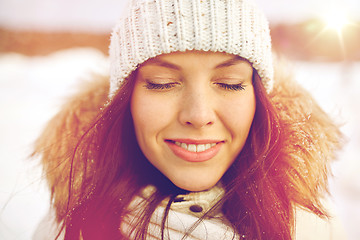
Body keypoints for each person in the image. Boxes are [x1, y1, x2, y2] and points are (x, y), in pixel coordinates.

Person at [32, 0, 346, 239]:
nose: (198, 115)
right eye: (162, 82)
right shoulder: (69, 229)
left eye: (229, 83)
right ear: (126, 100)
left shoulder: (311, 227)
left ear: (258, 99)